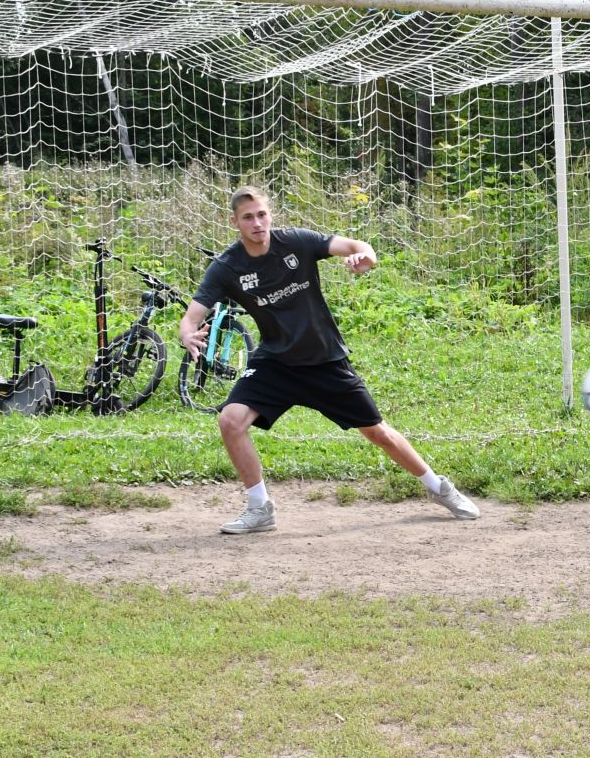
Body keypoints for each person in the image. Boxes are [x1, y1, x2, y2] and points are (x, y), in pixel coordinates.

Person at [178, 185, 480, 534]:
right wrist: (187, 333)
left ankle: (439, 488)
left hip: (323, 360)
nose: (257, 223)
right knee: (231, 421)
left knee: (378, 432)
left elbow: (356, 246)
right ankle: (260, 508)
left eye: (262, 214)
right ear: (235, 222)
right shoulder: (227, 266)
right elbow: (192, 315)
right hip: (275, 363)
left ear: (270, 215)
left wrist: (365, 258)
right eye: (248, 217)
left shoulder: (296, 242)